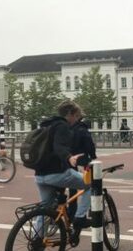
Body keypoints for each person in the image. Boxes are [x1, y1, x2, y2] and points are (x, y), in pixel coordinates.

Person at [34, 100, 91, 237]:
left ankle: (37, 240)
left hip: (40, 175)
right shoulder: (62, 126)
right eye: (77, 116)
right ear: (70, 114)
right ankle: (80, 217)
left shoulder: (45, 125)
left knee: (45, 208)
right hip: (57, 173)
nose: (77, 120)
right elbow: (59, 147)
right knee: (91, 184)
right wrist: (69, 157)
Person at [68, 117, 97, 220]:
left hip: (70, 161)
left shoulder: (69, 129)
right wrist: (94, 157)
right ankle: (86, 213)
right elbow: (90, 146)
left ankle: (71, 212)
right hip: (82, 161)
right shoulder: (83, 131)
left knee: (72, 189)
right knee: (90, 184)